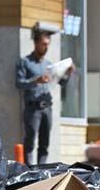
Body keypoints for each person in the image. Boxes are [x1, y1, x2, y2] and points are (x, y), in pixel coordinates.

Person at [16, 26, 73, 165]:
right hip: (32, 109)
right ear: (36, 43)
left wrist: (68, 73)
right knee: (29, 143)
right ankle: (29, 172)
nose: (46, 47)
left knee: (44, 144)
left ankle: (42, 171)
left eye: (48, 44)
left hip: (47, 108)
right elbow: (19, 84)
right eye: (44, 44)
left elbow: (61, 83)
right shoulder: (25, 62)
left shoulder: (49, 65)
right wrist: (36, 80)